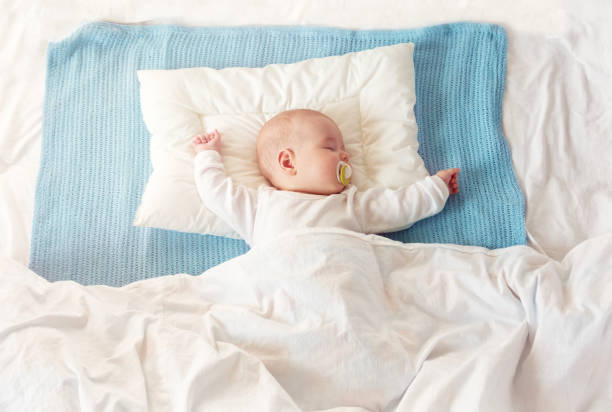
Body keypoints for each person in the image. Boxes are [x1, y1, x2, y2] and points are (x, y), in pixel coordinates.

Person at [191, 109, 459, 247]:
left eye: (344, 150)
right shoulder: (261, 206)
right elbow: (216, 192)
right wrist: (207, 155)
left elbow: (398, 206)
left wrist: (435, 188)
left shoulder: (351, 205)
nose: (345, 157)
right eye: (331, 148)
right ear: (288, 161)